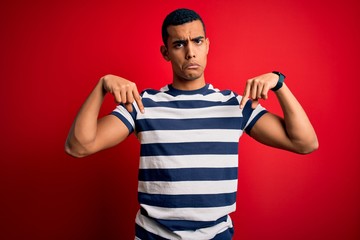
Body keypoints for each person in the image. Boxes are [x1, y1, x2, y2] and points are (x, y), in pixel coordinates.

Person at [65, 8, 318, 240]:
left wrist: (279, 83)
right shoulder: (144, 104)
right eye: (179, 44)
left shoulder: (234, 105)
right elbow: (78, 146)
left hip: (216, 235)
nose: (190, 52)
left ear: (207, 45)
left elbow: (305, 143)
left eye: (197, 41)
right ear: (166, 52)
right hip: (153, 235)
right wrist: (101, 86)